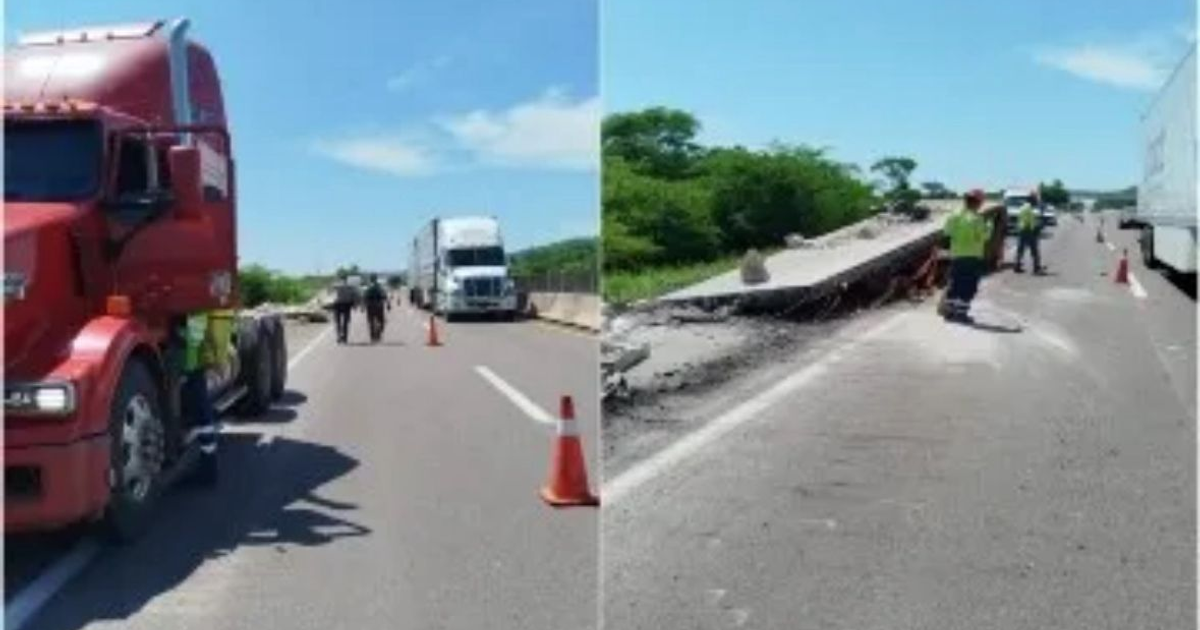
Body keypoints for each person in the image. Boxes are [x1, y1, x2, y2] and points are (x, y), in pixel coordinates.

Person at [177, 309, 232, 482]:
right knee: (201, 411)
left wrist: (219, 358)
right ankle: (208, 463)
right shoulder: (201, 301)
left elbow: (217, 324)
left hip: (193, 358)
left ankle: (209, 466)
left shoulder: (204, 304)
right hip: (193, 356)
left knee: (201, 411)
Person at [942, 189, 993, 324]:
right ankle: (961, 314)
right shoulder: (977, 219)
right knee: (969, 285)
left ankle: (949, 312)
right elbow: (983, 237)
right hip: (972, 256)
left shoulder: (954, 215)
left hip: (957, 255)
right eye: (981, 202)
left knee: (956, 283)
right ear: (977, 203)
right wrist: (989, 227)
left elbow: (947, 232)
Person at [1014, 195, 1045, 274]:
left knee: (1020, 249)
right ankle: (1036, 268)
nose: (1036, 202)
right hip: (1028, 230)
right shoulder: (1029, 209)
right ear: (1031, 201)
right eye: (1035, 201)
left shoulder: (1022, 207)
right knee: (1034, 250)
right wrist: (1037, 228)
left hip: (1021, 229)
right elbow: (1031, 222)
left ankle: (1017, 266)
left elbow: (1020, 219)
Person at [363, 274, 390, 342]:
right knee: (382, 321)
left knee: (371, 322)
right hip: (379, 305)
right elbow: (385, 295)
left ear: (370, 279)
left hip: (370, 306)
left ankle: (372, 336)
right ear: (376, 279)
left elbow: (364, 297)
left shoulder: (367, 287)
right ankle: (378, 333)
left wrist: (362, 306)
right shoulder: (380, 287)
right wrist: (388, 304)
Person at [331, 274, 358, 344]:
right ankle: (345, 337)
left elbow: (331, 295)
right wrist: (355, 305)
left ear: (340, 279)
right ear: (347, 279)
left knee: (337, 322)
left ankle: (338, 336)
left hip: (337, 305)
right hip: (346, 305)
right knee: (346, 322)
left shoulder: (336, 285)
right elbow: (354, 296)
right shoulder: (350, 287)